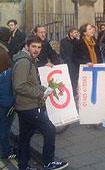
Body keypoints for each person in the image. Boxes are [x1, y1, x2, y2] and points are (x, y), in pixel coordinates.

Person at [12, 35, 69, 170]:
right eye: (33, 46)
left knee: (25, 137)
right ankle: (48, 162)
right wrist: (41, 93)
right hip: (29, 106)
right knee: (49, 130)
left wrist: (45, 88)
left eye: (39, 47)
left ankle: (23, 166)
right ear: (27, 46)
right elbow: (19, 86)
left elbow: (31, 83)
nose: (36, 49)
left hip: (25, 105)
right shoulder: (24, 62)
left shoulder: (29, 60)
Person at [73, 23, 102, 97]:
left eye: (92, 28)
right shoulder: (78, 43)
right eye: (89, 29)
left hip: (96, 70)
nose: (92, 30)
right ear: (84, 32)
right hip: (85, 72)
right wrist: (85, 63)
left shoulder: (95, 42)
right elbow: (74, 58)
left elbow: (99, 56)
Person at [0, 26, 16, 161]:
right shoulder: (3, 54)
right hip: (5, 99)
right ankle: (5, 151)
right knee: (4, 126)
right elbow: (6, 79)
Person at [59, 27, 79, 95]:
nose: (76, 34)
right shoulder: (63, 41)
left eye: (77, 32)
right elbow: (62, 52)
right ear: (70, 33)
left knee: (75, 78)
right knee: (68, 78)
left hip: (75, 63)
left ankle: (74, 92)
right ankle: (68, 92)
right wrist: (67, 60)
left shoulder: (77, 41)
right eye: (75, 32)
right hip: (68, 62)